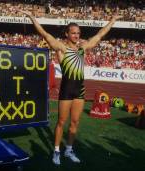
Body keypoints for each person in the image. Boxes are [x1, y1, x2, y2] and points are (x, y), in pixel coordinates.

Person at [20, 10, 122, 165]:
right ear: (67, 34)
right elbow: (45, 34)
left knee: (75, 122)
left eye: (78, 33)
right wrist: (32, 17)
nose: (77, 36)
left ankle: (68, 149)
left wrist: (112, 20)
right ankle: (56, 151)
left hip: (79, 90)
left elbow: (100, 35)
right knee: (61, 122)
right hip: (67, 90)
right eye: (73, 33)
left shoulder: (83, 48)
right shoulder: (61, 48)